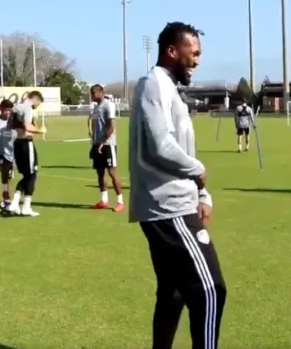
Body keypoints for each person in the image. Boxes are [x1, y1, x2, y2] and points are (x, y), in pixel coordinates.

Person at [129, 22, 226, 349]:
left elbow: (181, 148)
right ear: (172, 51)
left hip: (177, 202)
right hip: (168, 207)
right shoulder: (153, 84)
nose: (197, 60)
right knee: (211, 290)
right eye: (193, 52)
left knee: (173, 293)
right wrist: (198, 170)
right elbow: (160, 145)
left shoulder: (170, 89)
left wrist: (202, 194)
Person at [6, 91, 47, 216]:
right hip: (25, 143)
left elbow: (10, 125)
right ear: (35, 99)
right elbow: (28, 127)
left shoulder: (16, 108)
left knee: (26, 175)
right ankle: (25, 206)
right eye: (38, 103)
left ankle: (16, 203)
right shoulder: (27, 108)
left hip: (17, 143)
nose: (38, 106)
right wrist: (40, 130)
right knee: (32, 174)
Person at [89, 84, 125, 212]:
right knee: (100, 172)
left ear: (101, 92)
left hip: (108, 144)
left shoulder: (108, 105)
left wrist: (103, 142)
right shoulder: (95, 107)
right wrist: (94, 143)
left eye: (94, 93)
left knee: (112, 172)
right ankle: (104, 200)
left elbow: (111, 126)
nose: (92, 95)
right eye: (91, 93)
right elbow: (95, 127)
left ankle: (120, 201)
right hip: (96, 144)